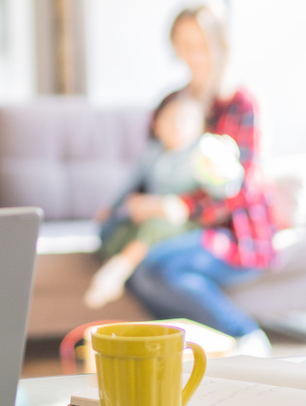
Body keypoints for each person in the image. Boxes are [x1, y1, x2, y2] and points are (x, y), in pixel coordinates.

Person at [107, 4, 276, 354]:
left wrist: (177, 206)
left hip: (232, 232)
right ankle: (190, 347)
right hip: (172, 230)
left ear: (220, 44)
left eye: (201, 43)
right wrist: (130, 204)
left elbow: (242, 186)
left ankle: (244, 334)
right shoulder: (169, 104)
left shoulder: (240, 104)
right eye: (184, 44)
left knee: (154, 267)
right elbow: (152, 168)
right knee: (123, 252)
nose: (193, 53)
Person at [83, 91, 244, 309]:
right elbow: (131, 182)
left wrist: (221, 169)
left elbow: (221, 188)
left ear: (200, 127)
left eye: (186, 120)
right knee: (113, 230)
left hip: (182, 221)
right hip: (150, 213)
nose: (177, 126)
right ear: (156, 124)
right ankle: (118, 261)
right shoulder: (153, 154)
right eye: (170, 120)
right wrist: (112, 207)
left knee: (154, 226)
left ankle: (119, 269)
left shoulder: (200, 155)